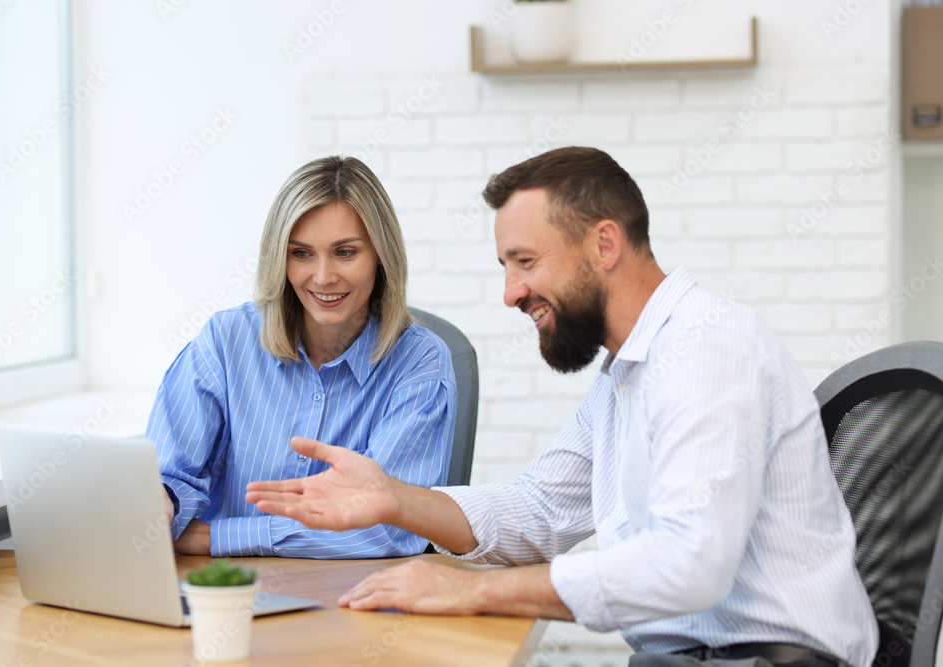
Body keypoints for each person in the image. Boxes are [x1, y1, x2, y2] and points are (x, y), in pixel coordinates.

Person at [246, 147, 878, 667]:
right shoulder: (626, 374)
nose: (510, 292)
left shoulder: (707, 350)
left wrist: (475, 589)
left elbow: (689, 567)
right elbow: (540, 511)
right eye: (505, 266)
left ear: (604, 244)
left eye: (525, 262)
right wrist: (396, 498)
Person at [148, 155, 457, 558]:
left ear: (381, 255)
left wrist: (214, 537)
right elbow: (168, 476)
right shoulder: (226, 341)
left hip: (353, 601)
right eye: (301, 253)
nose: (323, 276)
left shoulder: (420, 363)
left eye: (345, 252)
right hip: (224, 585)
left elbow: (390, 529)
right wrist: (161, 502)